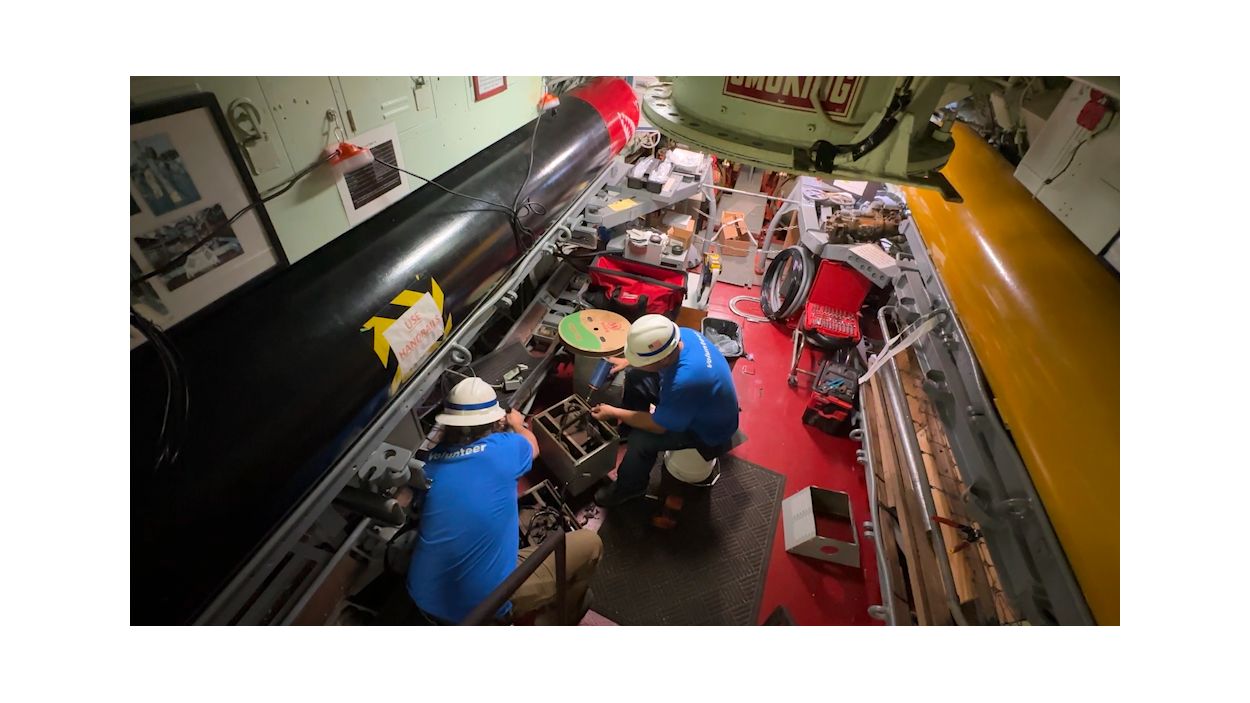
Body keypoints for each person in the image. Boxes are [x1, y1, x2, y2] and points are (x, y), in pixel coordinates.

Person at [407, 377, 603, 624]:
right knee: (590, 543)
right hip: (482, 609)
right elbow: (533, 446)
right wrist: (518, 424)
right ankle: (558, 618)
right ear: (495, 421)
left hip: (423, 595)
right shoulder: (504, 447)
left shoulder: (429, 463)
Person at [590, 314, 740, 506]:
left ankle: (630, 488)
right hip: (701, 402)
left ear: (664, 359)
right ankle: (627, 430)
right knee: (636, 376)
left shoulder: (685, 381)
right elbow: (656, 361)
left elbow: (658, 426)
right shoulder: (682, 335)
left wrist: (614, 412)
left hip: (708, 429)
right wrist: (628, 361)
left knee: (641, 440)